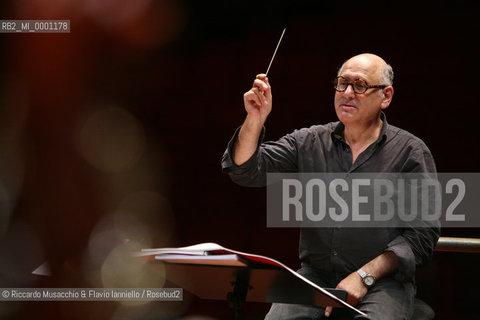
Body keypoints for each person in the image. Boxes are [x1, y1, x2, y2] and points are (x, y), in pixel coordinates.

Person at [221, 53, 439, 319]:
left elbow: (422, 235)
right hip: (316, 275)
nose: (347, 93)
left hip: (383, 282)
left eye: (359, 85)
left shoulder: (410, 152)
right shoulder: (310, 141)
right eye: (341, 83)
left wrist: (364, 275)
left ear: (386, 96)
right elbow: (245, 170)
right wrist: (255, 118)